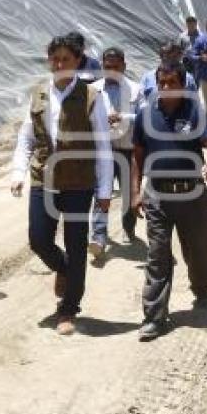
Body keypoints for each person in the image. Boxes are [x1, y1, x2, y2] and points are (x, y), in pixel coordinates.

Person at [10, 35, 112, 335]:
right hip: (45, 179)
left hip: (79, 184)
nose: (59, 65)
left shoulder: (93, 97)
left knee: (77, 245)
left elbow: (104, 147)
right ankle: (64, 268)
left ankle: (69, 308)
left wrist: (105, 193)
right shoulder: (39, 95)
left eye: (65, 59)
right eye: (54, 59)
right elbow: (26, 138)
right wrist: (18, 173)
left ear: (77, 61)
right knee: (39, 239)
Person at [131, 61, 207, 341]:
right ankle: (154, 317)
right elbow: (137, 155)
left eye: (172, 83)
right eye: (162, 83)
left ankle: (202, 288)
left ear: (183, 86)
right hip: (158, 196)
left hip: (192, 194)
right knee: (157, 255)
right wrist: (135, 191)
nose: (167, 88)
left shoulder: (195, 112)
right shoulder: (145, 115)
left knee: (199, 248)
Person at [88, 47, 142, 259]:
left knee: (129, 194)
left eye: (115, 67)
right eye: (106, 67)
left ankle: (129, 228)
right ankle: (98, 237)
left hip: (129, 151)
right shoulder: (93, 90)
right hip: (104, 151)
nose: (110, 71)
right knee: (102, 192)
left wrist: (124, 117)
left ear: (124, 67)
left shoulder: (136, 90)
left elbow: (145, 116)